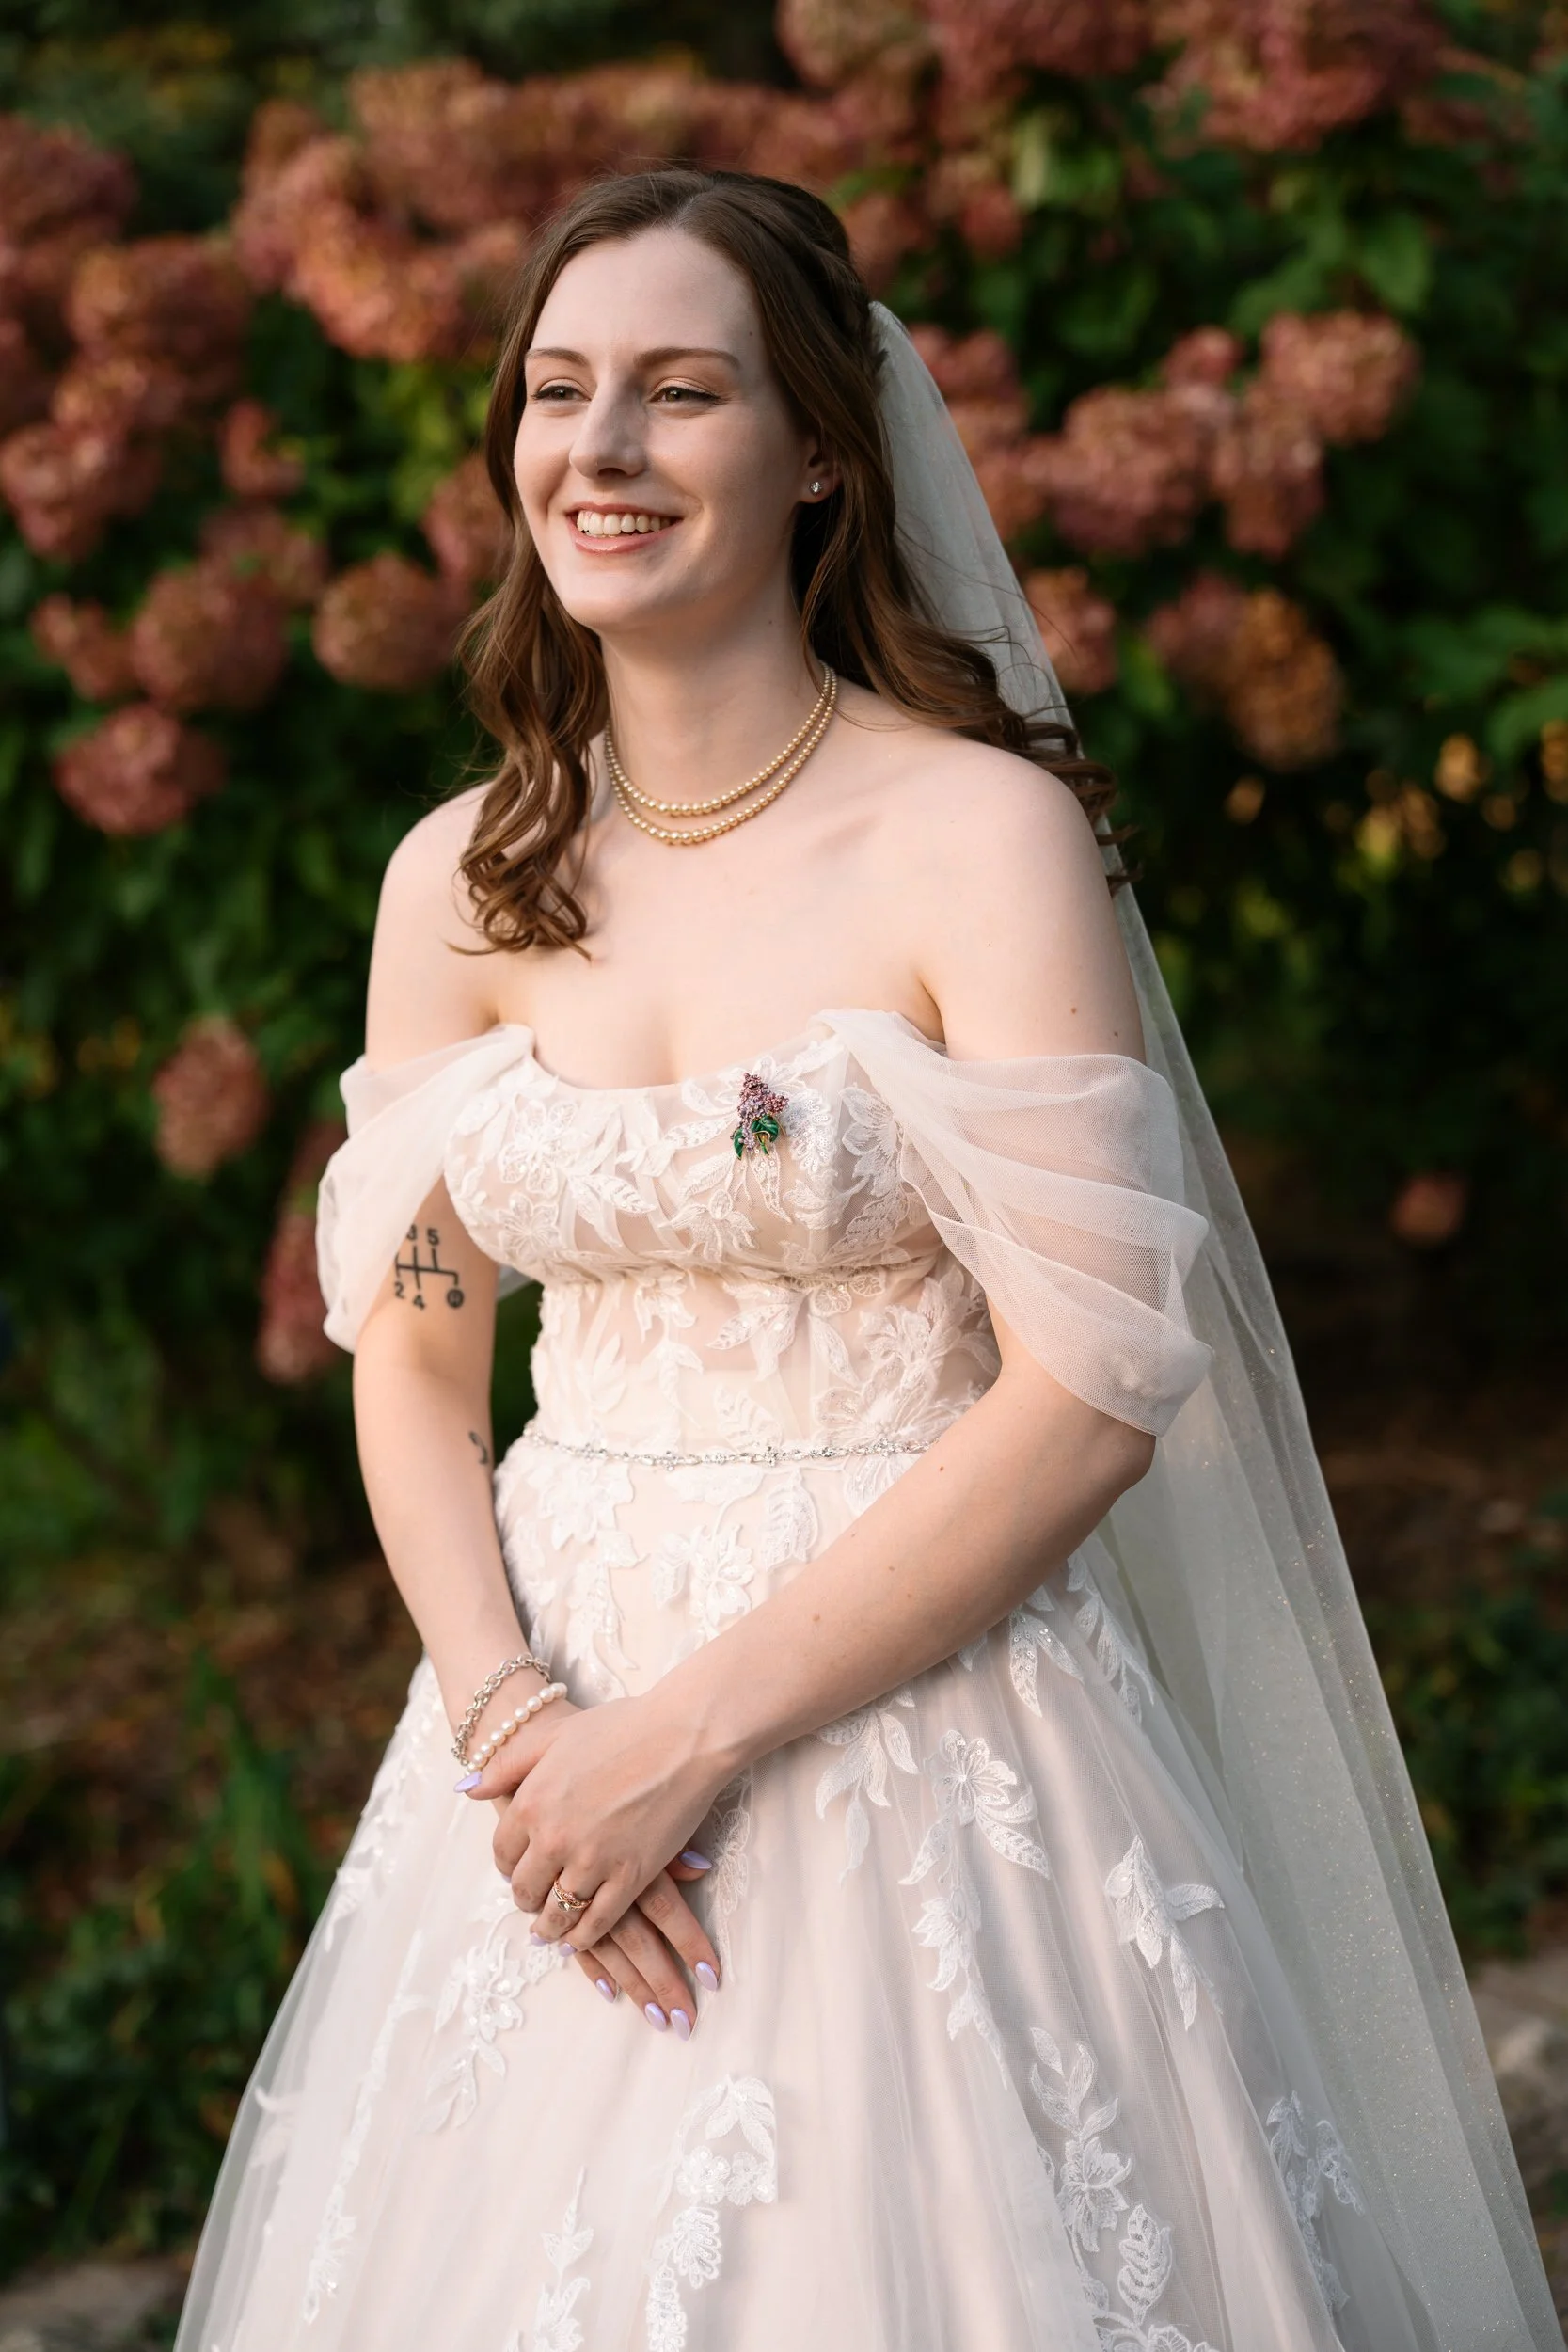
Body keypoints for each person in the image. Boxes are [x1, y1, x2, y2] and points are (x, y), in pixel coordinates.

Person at [175, 169, 1558, 2352]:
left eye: (678, 390)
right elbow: (419, 1360)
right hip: (529, 1737)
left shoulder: (973, 834)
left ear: (818, 446)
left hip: (919, 1726)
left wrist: (687, 1742)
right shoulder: (455, 879)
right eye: (556, 391)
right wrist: (521, 1723)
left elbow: (1093, 1384)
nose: (598, 449)